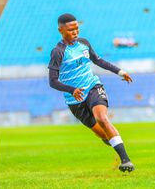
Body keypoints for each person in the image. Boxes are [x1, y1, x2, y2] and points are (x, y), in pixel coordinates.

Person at [48, 13, 135, 172]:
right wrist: (72, 90)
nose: (75, 33)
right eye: (70, 30)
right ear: (61, 30)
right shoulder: (58, 52)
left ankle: (126, 161)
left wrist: (120, 72)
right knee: (102, 133)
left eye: (77, 29)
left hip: (93, 86)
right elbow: (52, 81)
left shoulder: (84, 43)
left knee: (102, 118)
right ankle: (108, 138)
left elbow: (98, 60)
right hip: (75, 99)